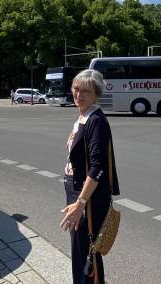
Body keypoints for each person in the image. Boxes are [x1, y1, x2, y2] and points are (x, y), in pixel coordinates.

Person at [60, 69, 120, 284]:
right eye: (76, 89)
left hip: (88, 200)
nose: (79, 95)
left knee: (87, 253)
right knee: (80, 250)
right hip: (78, 194)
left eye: (85, 91)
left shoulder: (96, 121)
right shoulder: (83, 117)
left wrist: (80, 203)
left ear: (96, 94)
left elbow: (97, 168)